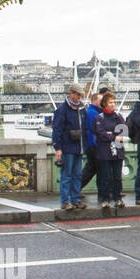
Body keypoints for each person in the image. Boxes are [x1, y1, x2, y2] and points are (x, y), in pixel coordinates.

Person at [51, 82, 88, 211]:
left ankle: (76, 199)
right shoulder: (62, 110)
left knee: (77, 175)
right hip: (67, 147)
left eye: (80, 95)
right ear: (70, 93)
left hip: (79, 147)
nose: (79, 97)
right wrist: (58, 148)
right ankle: (65, 201)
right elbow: (57, 130)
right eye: (77, 94)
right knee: (66, 175)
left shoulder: (81, 109)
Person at [92, 91, 127, 214]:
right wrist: (114, 136)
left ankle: (117, 198)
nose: (113, 104)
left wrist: (110, 134)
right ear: (104, 104)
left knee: (117, 177)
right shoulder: (99, 118)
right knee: (105, 177)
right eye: (110, 102)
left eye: (114, 102)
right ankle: (105, 199)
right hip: (104, 151)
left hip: (118, 150)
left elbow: (123, 131)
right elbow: (100, 134)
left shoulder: (118, 116)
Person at [80, 90, 105, 195]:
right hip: (94, 146)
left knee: (94, 169)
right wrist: (95, 145)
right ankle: (102, 192)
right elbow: (92, 131)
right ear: (94, 101)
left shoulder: (93, 112)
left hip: (92, 145)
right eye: (101, 101)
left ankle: (76, 189)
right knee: (95, 169)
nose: (103, 103)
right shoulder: (92, 113)